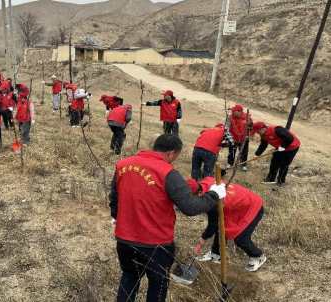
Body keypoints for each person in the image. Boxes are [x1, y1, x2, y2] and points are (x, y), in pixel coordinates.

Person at [109, 134, 227, 302]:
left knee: (129, 277)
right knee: (157, 285)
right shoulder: (168, 173)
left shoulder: (123, 165)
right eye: (176, 156)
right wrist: (213, 194)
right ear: (171, 153)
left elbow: (114, 197)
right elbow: (190, 207)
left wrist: (116, 216)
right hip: (155, 244)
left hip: (125, 240)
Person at [185, 176, 266, 272]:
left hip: (252, 207)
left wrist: (204, 237)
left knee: (240, 238)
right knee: (222, 228)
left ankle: (258, 256)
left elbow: (213, 224)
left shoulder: (212, 201)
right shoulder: (204, 185)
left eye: (191, 198)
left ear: (199, 193)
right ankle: (216, 254)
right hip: (236, 207)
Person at [250, 121, 301, 187]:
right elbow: (263, 145)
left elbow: (290, 138)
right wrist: (257, 154)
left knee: (283, 165)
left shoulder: (277, 130)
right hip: (279, 147)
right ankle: (271, 179)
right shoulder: (263, 135)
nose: (257, 133)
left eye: (257, 131)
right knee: (274, 163)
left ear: (263, 129)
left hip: (291, 147)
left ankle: (281, 182)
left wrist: (283, 146)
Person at [226, 104, 254, 172]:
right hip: (233, 138)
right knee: (231, 151)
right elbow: (226, 126)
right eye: (231, 111)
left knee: (244, 153)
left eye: (233, 111)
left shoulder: (247, 117)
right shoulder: (230, 117)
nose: (232, 112)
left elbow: (252, 127)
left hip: (244, 138)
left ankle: (243, 165)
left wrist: (251, 135)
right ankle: (230, 163)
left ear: (239, 111)